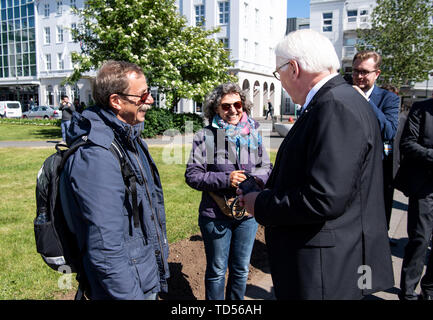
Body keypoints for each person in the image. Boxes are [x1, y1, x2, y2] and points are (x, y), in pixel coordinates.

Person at [238, 29, 394, 300]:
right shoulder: (340, 100)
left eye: (279, 73)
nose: (282, 82)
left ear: (294, 68)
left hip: (321, 269)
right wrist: (275, 184)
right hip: (328, 262)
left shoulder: (335, 105)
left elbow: (324, 197)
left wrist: (259, 203)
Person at [59, 60, 169, 299]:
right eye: (143, 95)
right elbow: (104, 248)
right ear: (116, 101)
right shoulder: (98, 156)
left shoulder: (130, 138)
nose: (150, 100)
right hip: (125, 288)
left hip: (142, 275)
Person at [185, 82, 272, 300]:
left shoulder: (255, 131)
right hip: (215, 215)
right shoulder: (204, 136)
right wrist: (227, 179)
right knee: (216, 272)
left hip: (248, 213)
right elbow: (193, 175)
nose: (233, 110)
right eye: (226, 106)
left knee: (241, 269)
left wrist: (255, 180)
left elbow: (267, 167)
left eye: (238, 104)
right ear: (216, 109)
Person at [352, 51, 400, 230]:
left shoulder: (389, 99)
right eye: (355, 71)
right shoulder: (342, 93)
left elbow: (388, 131)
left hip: (376, 171)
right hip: (347, 170)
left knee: (374, 224)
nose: (359, 76)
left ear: (377, 73)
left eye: (364, 72)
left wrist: (364, 100)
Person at [398, 98, 433, 300]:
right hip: (424, 187)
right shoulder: (422, 109)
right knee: (420, 239)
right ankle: (408, 293)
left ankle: (429, 290)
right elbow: (407, 143)